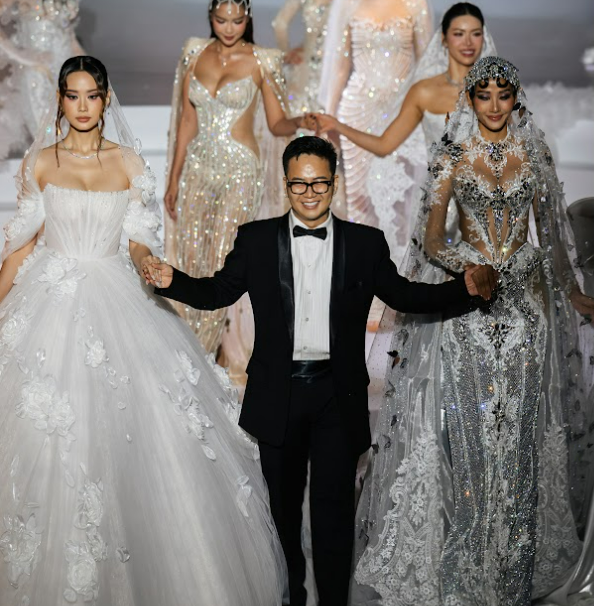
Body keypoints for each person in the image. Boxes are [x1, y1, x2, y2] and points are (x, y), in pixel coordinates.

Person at [149, 135, 497, 606]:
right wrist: (172, 281)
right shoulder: (256, 240)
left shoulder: (364, 243)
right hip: (278, 396)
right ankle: (289, 598)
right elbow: (217, 292)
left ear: (334, 183)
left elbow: (406, 296)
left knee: (334, 520)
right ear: (286, 184)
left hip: (339, 397)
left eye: (319, 184)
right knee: (281, 518)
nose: (309, 193)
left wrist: (465, 288)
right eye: (299, 184)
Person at [0, 55, 286, 605]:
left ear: (106, 98)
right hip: (48, 302)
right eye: (73, 96)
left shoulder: (129, 162)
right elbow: (19, 250)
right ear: (60, 100)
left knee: (134, 431)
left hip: (116, 297)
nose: (83, 106)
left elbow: (137, 242)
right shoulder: (40, 163)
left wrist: (148, 263)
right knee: (47, 432)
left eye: (92, 95)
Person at [352, 57, 594, 605]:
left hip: (526, 315)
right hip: (470, 313)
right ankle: (468, 567)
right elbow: (433, 239)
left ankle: (514, 570)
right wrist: (470, 267)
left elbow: (553, 238)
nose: (494, 105)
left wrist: (572, 291)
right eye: (484, 95)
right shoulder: (452, 155)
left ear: (515, 98)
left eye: (503, 95)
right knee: (470, 438)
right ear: (470, 98)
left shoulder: (534, 153)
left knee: (521, 440)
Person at [164, 0, 311, 384]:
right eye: (221, 19)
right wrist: (173, 178)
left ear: (248, 19)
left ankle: (199, 356)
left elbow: (276, 122)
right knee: (191, 259)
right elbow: (187, 121)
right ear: (210, 17)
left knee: (221, 263)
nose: (229, 28)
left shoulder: (263, 60)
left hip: (240, 172)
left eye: (237, 20)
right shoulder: (194, 52)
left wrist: (300, 120)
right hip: (197, 169)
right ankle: (190, 346)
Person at [317, 0, 432, 265]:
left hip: (402, 114)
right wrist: (328, 118)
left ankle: (396, 271)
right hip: (356, 111)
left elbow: (427, 65)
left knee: (399, 198)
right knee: (359, 195)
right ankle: (363, 271)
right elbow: (340, 67)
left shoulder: (414, 3)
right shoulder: (349, 2)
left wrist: (430, 115)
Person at [313, 2, 495, 163]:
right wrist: (337, 125)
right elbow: (384, 146)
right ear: (444, 39)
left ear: (483, 38)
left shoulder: (498, 89)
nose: (468, 42)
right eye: (458, 34)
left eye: (475, 34)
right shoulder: (424, 92)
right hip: (442, 190)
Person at [0, 0, 83, 159]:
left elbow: (67, 34)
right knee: (49, 143)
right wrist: (23, 56)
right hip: (38, 76)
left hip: (65, 74)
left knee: (69, 143)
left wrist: (89, 67)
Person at [272, 0, 345, 118]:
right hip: (325, 72)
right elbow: (279, 24)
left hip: (328, 73)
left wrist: (287, 51)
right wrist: (287, 54)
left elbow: (280, 24)